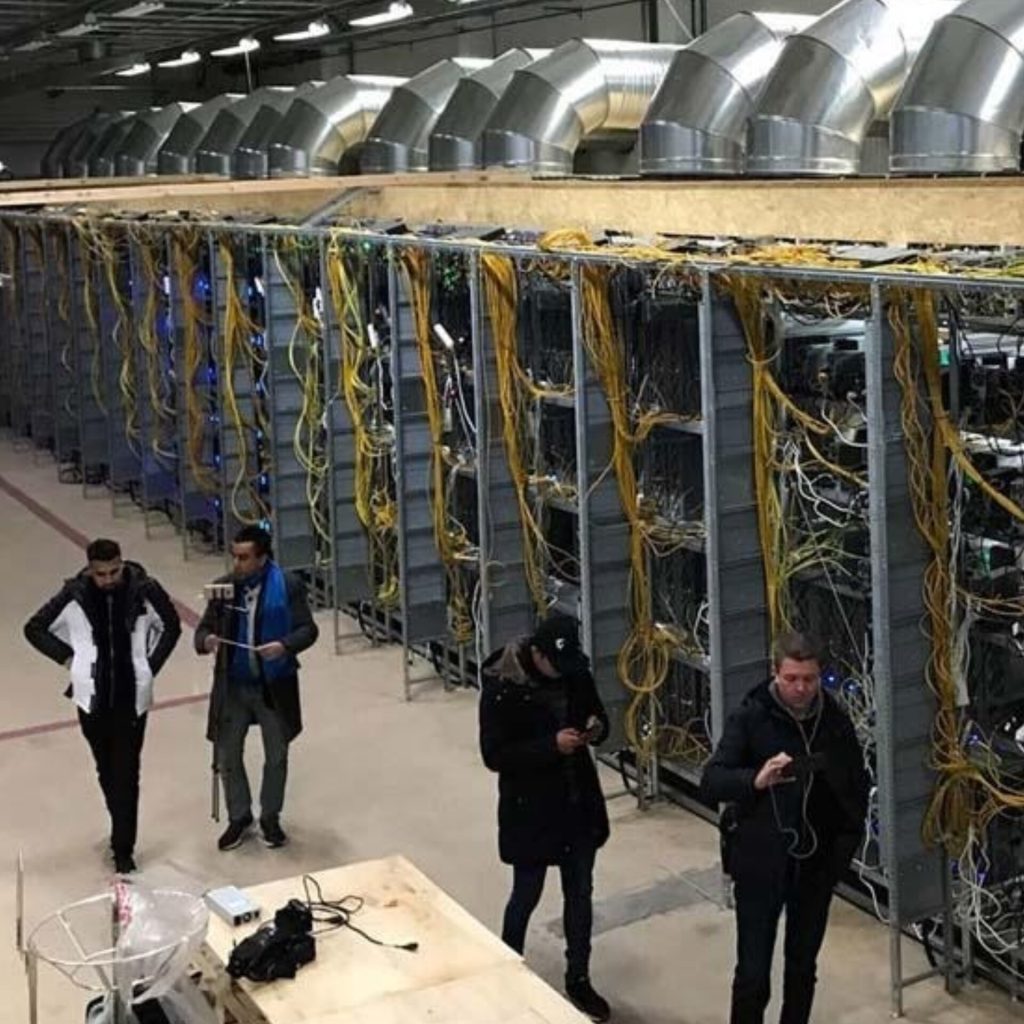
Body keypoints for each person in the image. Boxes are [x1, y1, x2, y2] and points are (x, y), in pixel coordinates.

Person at [701, 631, 870, 1024]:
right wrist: (755, 780)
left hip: (814, 866)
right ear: (775, 673)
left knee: (802, 968)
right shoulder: (752, 716)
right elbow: (712, 780)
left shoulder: (833, 722)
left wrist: (839, 854)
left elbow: (855, 787)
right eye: (791, 679)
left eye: (809, 679)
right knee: (752, 974)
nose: (801, 688)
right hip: (761, 863)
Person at [479, 614, 612, 1023]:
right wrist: (551, 746)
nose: (562, 672)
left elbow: (598, 714)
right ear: (536, 654)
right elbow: (494, 755)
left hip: (576, 804)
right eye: (555, 664)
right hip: (531, 810)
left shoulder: (574, 673)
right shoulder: (503, 689)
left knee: (580, 894)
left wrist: (596, 727)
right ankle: (507, 970)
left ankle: (579, 978)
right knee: (526, 893)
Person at [24, 539, 182, 874]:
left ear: (122, 564)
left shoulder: (145, 590)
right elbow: (34, 628)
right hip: (92, 701)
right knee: (106, 769)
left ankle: (123, 848)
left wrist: (150, 666)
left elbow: (172, 626)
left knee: (127, 773)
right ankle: (119, 824)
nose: (109, 580)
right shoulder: (74, 594)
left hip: (130, 701)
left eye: (114, 571)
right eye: (101, 574)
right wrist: (69, 660)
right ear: (90, 570)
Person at [195, 525, 318, 852]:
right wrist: (207, 640)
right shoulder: (224, 588)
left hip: (273, 686)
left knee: (276, 755)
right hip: (233, 686)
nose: (237, 564)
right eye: (234, 556)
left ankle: (270, 817)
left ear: (262, 558)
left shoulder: (288, 586)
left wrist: (284, 645)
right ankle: (239, 816)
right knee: (227, 754)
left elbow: (308, 629)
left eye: (244, 558)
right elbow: (203, 628)